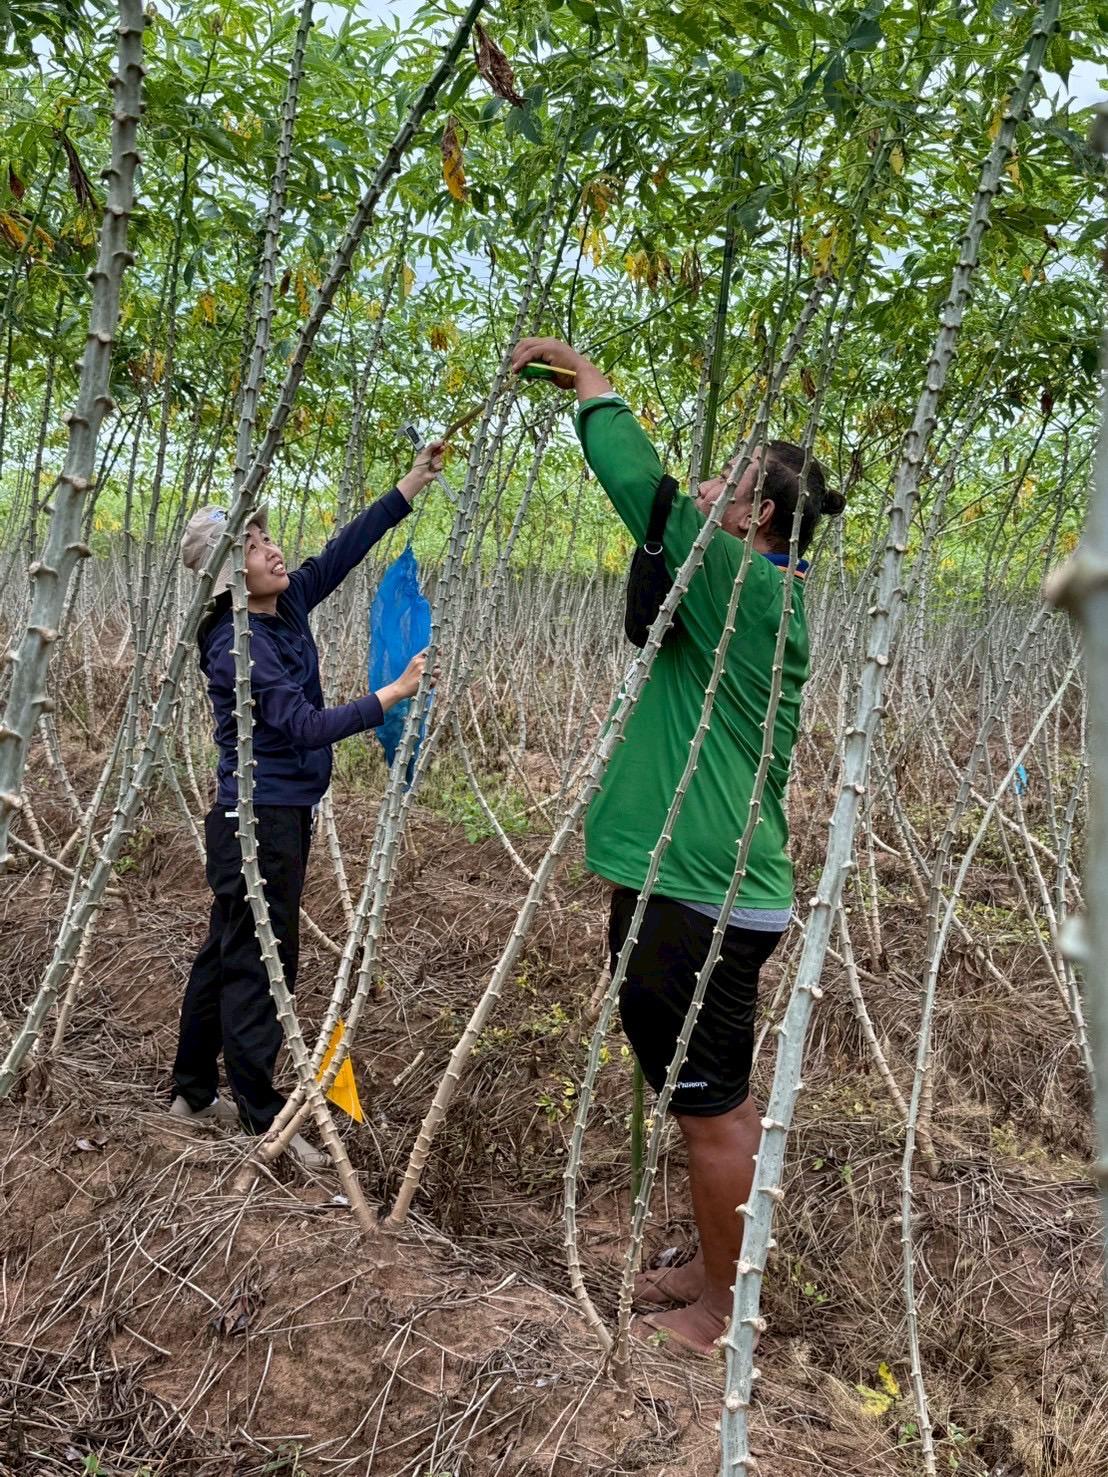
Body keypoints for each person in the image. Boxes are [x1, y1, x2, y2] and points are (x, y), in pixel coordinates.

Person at [511, 336, 845, 1355]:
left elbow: (636, 486)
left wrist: (595, 391)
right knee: (702, 1096)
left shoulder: (741, 585)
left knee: (714, 1111)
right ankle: (708, 1267)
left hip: (702, 887)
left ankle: (724, 1310)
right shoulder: (748, 590)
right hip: (690, 876)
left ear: (756, 517)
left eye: (727, 481)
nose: (706, 487)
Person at [171, 442, 445, 1167]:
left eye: (266, 536)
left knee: (227, 947)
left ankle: (192, 1091)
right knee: (264, 959)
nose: (272, 550)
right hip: (259, 818)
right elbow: (299, 724)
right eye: (253, 545)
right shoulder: (238, 644)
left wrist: (408, 486)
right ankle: (264, 1121)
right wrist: (391, 695)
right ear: (228, 575)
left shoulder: (284, 602)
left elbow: (342, 553)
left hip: (267, 813)